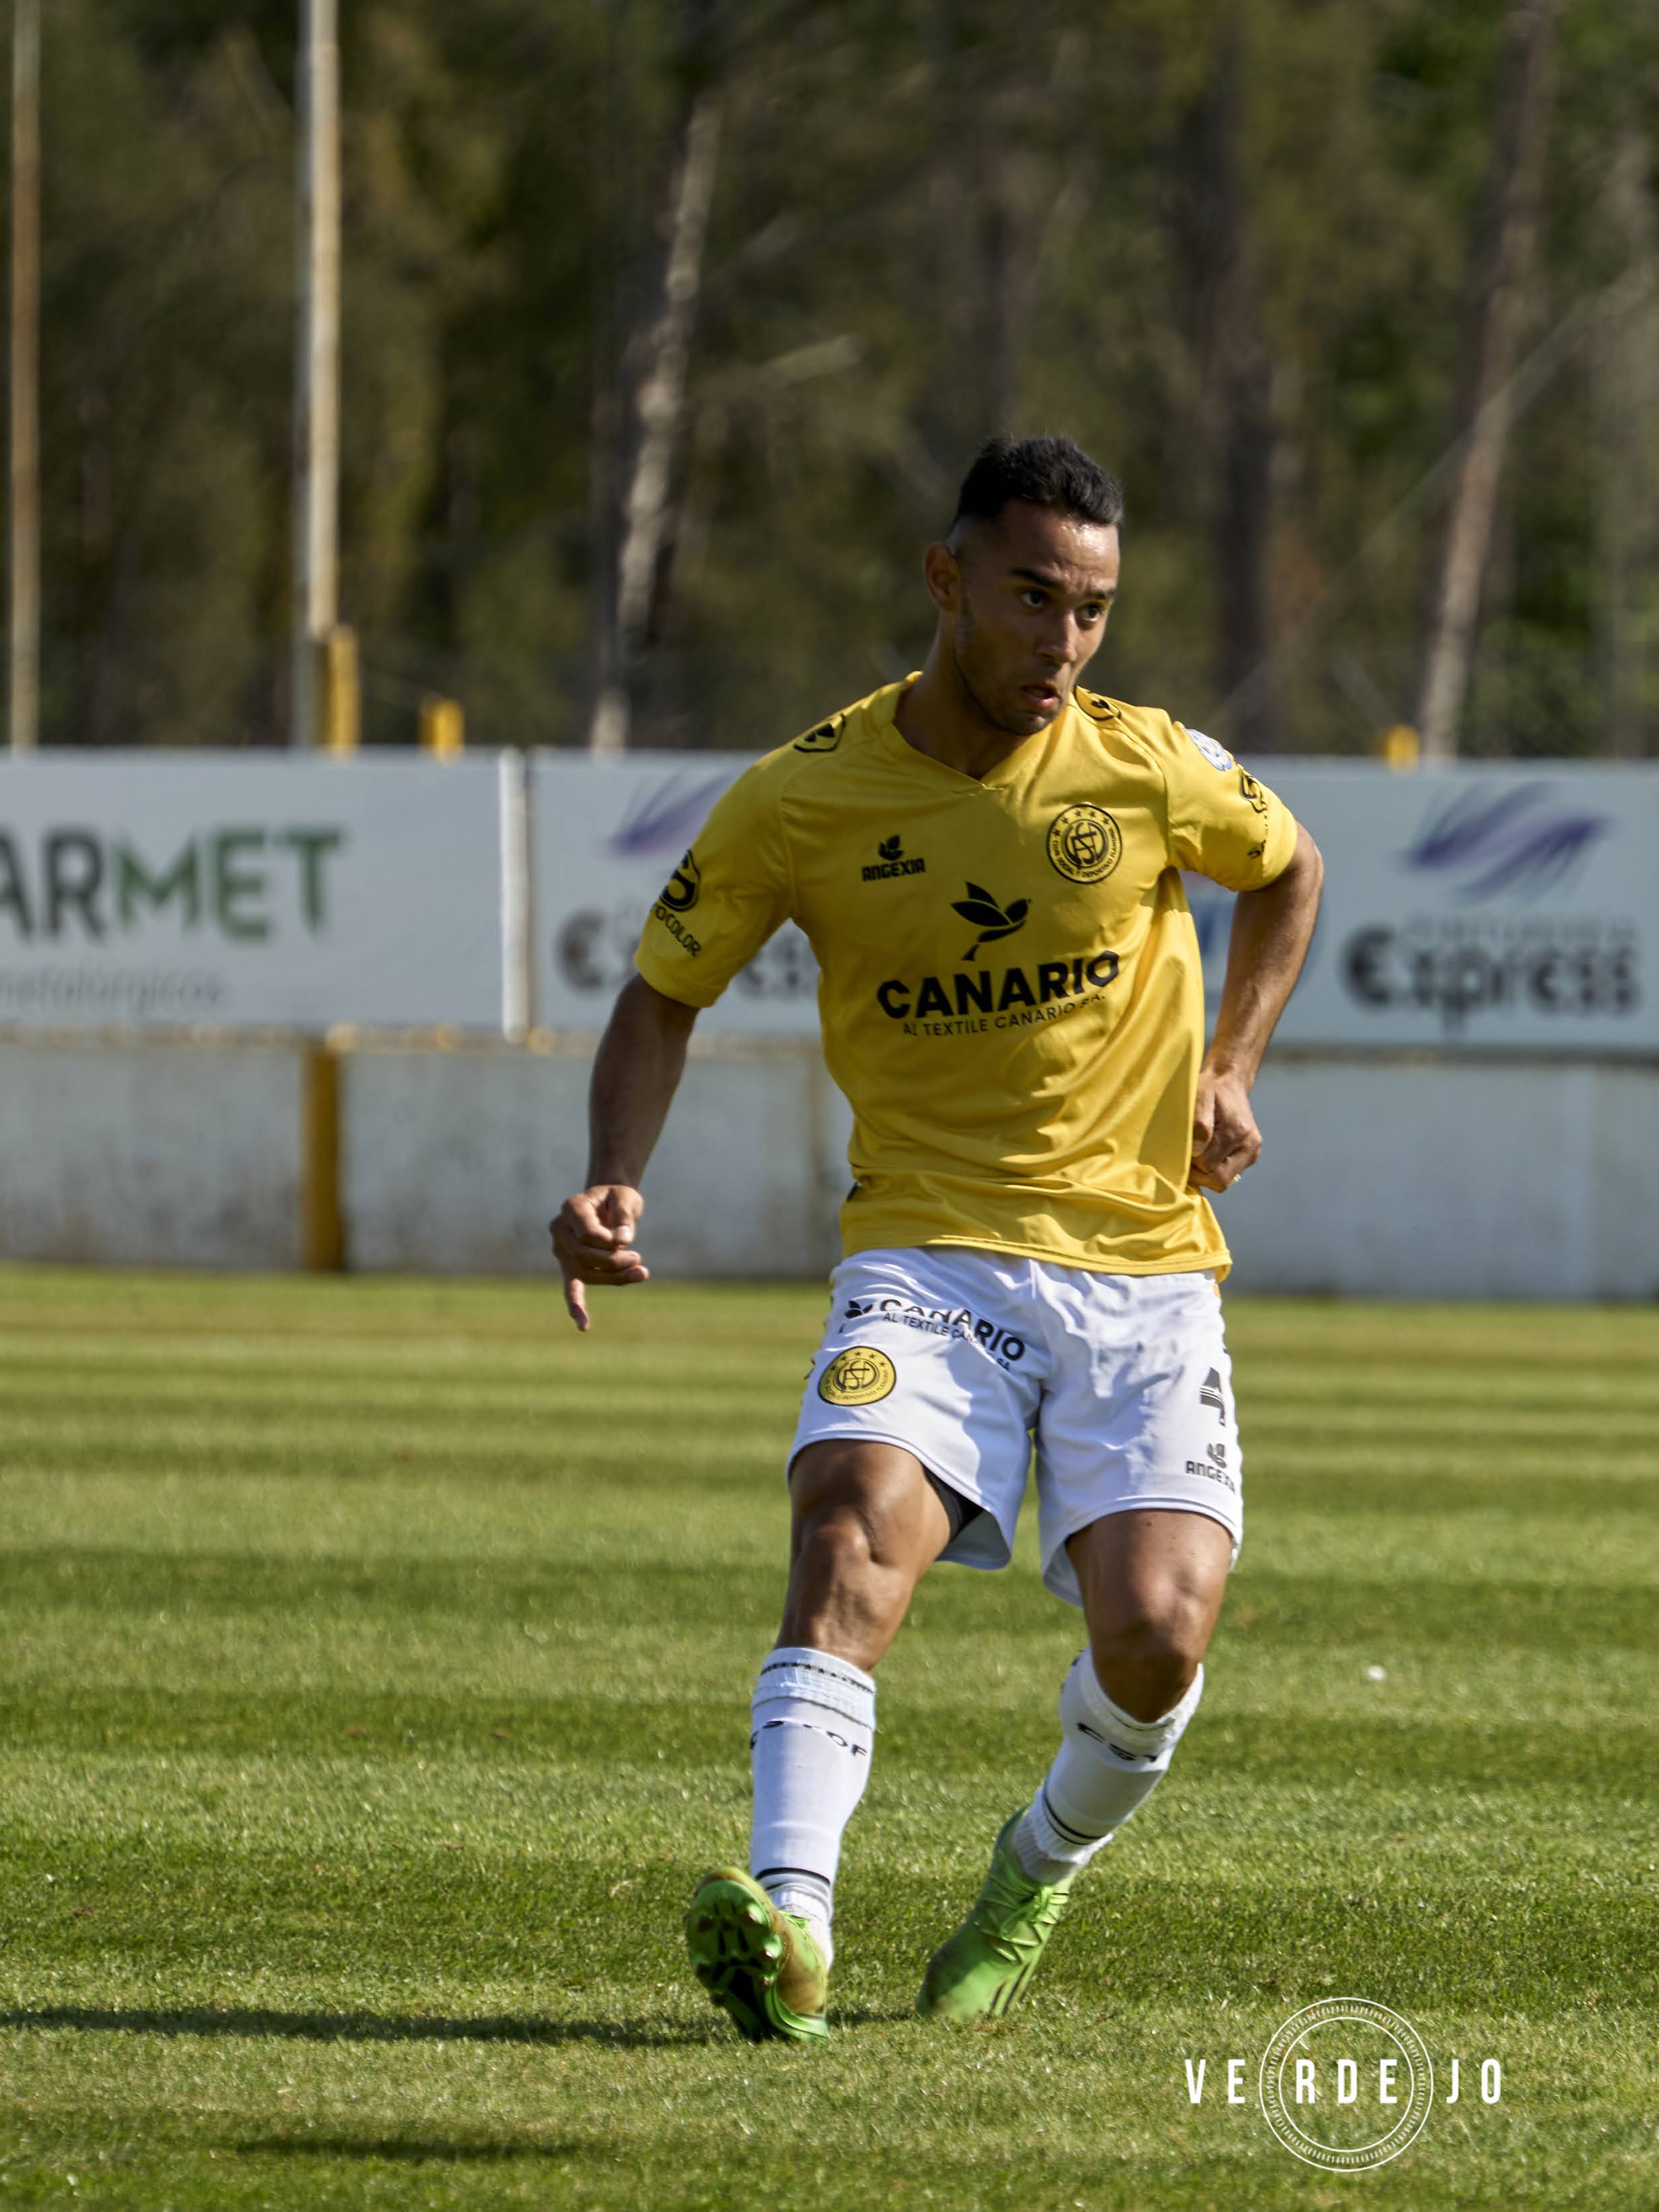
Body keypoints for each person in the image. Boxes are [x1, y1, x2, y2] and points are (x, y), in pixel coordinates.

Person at [548, 434, 1324, 2043]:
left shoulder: (1147, 767)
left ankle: (1034, 1867)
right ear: (947, 578)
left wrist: (1235, 1062)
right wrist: (614, 1169)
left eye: (1093, 610)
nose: (1061, 642)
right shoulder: (805, 795)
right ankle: (793, 1923)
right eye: (1033, 596)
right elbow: (663, 990)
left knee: (1162, 1636)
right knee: (846, 1528)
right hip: (930, 1249)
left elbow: (1292, 867)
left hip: (1147, 1267)